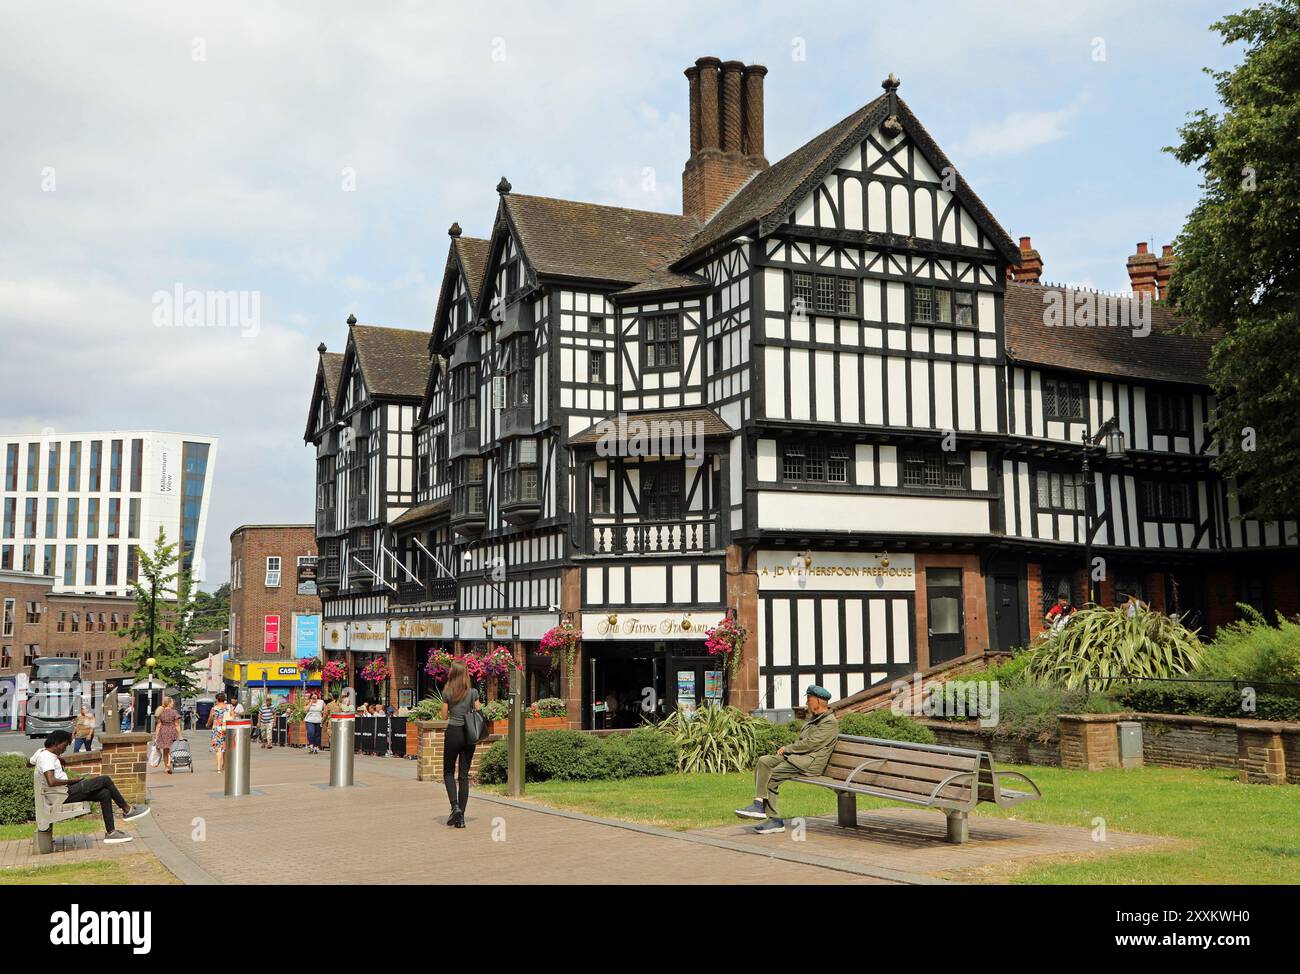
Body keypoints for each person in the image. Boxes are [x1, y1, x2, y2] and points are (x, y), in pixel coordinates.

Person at [734, 685, 840, 835]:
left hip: (809, 763)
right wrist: (789, 752)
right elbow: (804, 742)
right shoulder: (814, 719)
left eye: (809, 699)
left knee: (773, 775)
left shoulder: (829, 722)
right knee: (764, 761)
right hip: (799, 759)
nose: (807, 703)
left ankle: (775, 820)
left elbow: (811, 744)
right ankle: (758, 803)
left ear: (818, 700)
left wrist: (788, 749)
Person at [31, 730, 150, 844]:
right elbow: (51, 781)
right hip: (64, 794)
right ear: (56, 743)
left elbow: (29, 763)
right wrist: (72, 781)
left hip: (61, 793)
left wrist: (57, 758)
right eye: (65, 745)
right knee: (105, 779)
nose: (65, 748)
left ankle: (111, 833)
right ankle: (127, 810)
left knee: (104, 793)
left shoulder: (41, 752)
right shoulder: (47, 758)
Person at [438, 659, 483, 829]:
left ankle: (454, 806)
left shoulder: (447, 692)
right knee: (463, 775)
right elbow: (479, 711)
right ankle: (461, 818)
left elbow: (443, 716)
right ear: (465, 674)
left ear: (452, 673)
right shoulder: (473, 692)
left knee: (448, 772)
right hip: (469, 735)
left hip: (453, 733)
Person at [153, 696, 181, 773]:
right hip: (171, 731)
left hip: (163, 731)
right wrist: (180, 735)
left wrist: (156, 736)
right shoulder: (174, 712)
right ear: (168, 703)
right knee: (171, 749)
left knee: (165, 750)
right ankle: (169, 763)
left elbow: (158, 725)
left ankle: (166, 767)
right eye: (172, 702)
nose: (173, 703)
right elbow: (177, 725)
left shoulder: (160, 712)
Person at [207, 692, 230, 773]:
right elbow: (233, 717)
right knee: (225, 748)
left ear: (217, 699)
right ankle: (224, 765)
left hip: (217, 729)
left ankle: (219, 768)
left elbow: (210, 719)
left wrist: (208, 724)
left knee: (218, 749)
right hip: (227, 729)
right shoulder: (229, 707)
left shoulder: (214, 708)